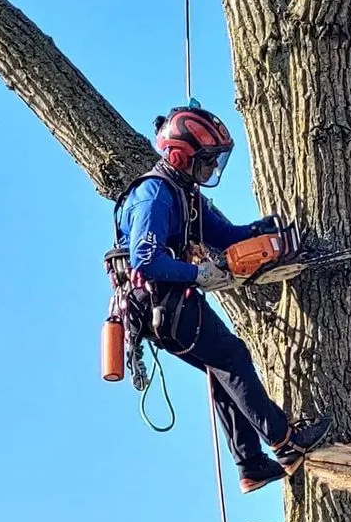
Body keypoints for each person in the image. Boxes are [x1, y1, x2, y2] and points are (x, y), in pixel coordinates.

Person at [112, 104, 331, 493]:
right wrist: (198, 273)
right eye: (207, 161)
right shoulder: (155, 195)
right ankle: (285, 439)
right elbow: (145, 260)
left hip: (169, 302)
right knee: (232, 357)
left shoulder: (185, 194)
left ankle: (251, 465)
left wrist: (261, 232)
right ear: (181, 155)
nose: (212, 169)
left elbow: (225, 236)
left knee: (222, 367)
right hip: (161, 302)